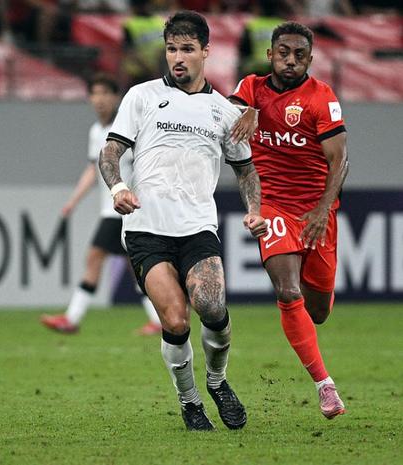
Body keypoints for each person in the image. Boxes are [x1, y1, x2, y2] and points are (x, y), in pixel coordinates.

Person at [98, 11, 266, 431]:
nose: (177, 57)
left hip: (197, 227)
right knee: (175, 320)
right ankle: (190, 402)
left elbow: (246, 170)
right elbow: (111, 152)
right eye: (172, 48)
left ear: (206, 52)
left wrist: (254, 210)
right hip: (146, 228)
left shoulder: (223, 111)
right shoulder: (142, 96)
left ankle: (217, 380)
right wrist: (118, 188)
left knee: (212, 306)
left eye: (187, 49)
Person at [229, 21, 349, 419]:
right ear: (270, 55)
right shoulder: (251, 88)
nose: (290, 60)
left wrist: (323, 208)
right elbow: (223, 115)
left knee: (318, 312)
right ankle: (325, 386)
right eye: (283, 53)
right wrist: (246, 110)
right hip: (273, 206)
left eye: (299, 55)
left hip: (316, 211)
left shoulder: (321, 97)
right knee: (287, 290)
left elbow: (339, 160)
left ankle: (314, 305)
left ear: (310, 59)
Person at [40, 74, 162, 336]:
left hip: (126, 209)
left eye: (105, 93)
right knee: (136, 267)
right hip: (114, 210)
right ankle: (160, 318)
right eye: (95, 93)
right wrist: (73, 201)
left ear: (116, 97)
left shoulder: (128, 127)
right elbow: (92, 169)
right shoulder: (96, 131)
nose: (100, 99)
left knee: (95, 257)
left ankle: (72, 318)